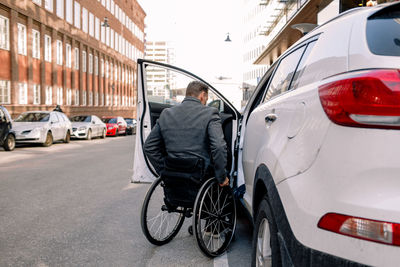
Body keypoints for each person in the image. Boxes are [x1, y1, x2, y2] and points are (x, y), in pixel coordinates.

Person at [144, 80, 229, 187]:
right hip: (199, 178)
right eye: (206, 100)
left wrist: (164, 170)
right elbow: (219, 147)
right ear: (202, 95)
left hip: (172, 175)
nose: (205, 103)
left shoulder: (166, 113)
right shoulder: (210, 113)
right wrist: (221, 176)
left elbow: (149, 147)